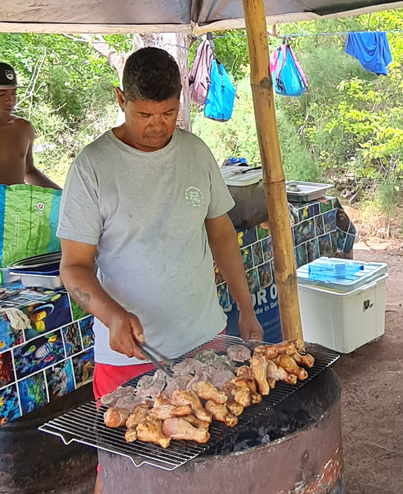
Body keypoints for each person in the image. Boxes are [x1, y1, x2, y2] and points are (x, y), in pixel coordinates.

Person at [57, 48, 262, 493]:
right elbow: (72, 269)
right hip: (129, 358)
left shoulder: (195, 152)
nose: (157, 126)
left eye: (168, 113)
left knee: (211, 462)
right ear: (120, 99)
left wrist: (245, 308)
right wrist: (112, 317)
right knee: (124, 473)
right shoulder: (93, 167)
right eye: (144, 114)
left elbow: (222, 235)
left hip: (204, 339)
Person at [0, 62, 60, 189]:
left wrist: (63, 195)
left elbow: (29, 171)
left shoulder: (23, 128)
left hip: (14, 206)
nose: (9, 100)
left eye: (13, 93)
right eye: (2, 94)